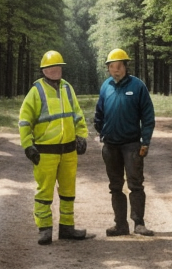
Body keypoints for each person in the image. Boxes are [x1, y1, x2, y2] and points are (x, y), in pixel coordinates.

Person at [19, 50, 89, 245]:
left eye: (58, 66)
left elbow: (78, 115)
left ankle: (67, 228)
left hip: (68, 151)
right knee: (44, 192)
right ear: (43, 70)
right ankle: (44, 229)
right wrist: (28, 146)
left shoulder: (68, 88)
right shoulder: (36, 91)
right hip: (45, 152)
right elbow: (24, 121)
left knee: (68, 191)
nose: (55, 70)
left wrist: (82, 136)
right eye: (50, 67)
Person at [94, 48, 155, 237]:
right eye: (111, 67)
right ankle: (120, 225)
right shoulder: (105, 87)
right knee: (115, 186)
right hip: (110, 146)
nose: (115, 70)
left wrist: (145, 141)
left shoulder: (138, 86)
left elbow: (148, 115)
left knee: (135, 184)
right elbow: (99, 114)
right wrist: (102, 131)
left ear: (125, 66)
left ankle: (139, 223)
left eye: (118, 66)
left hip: (132, 145)